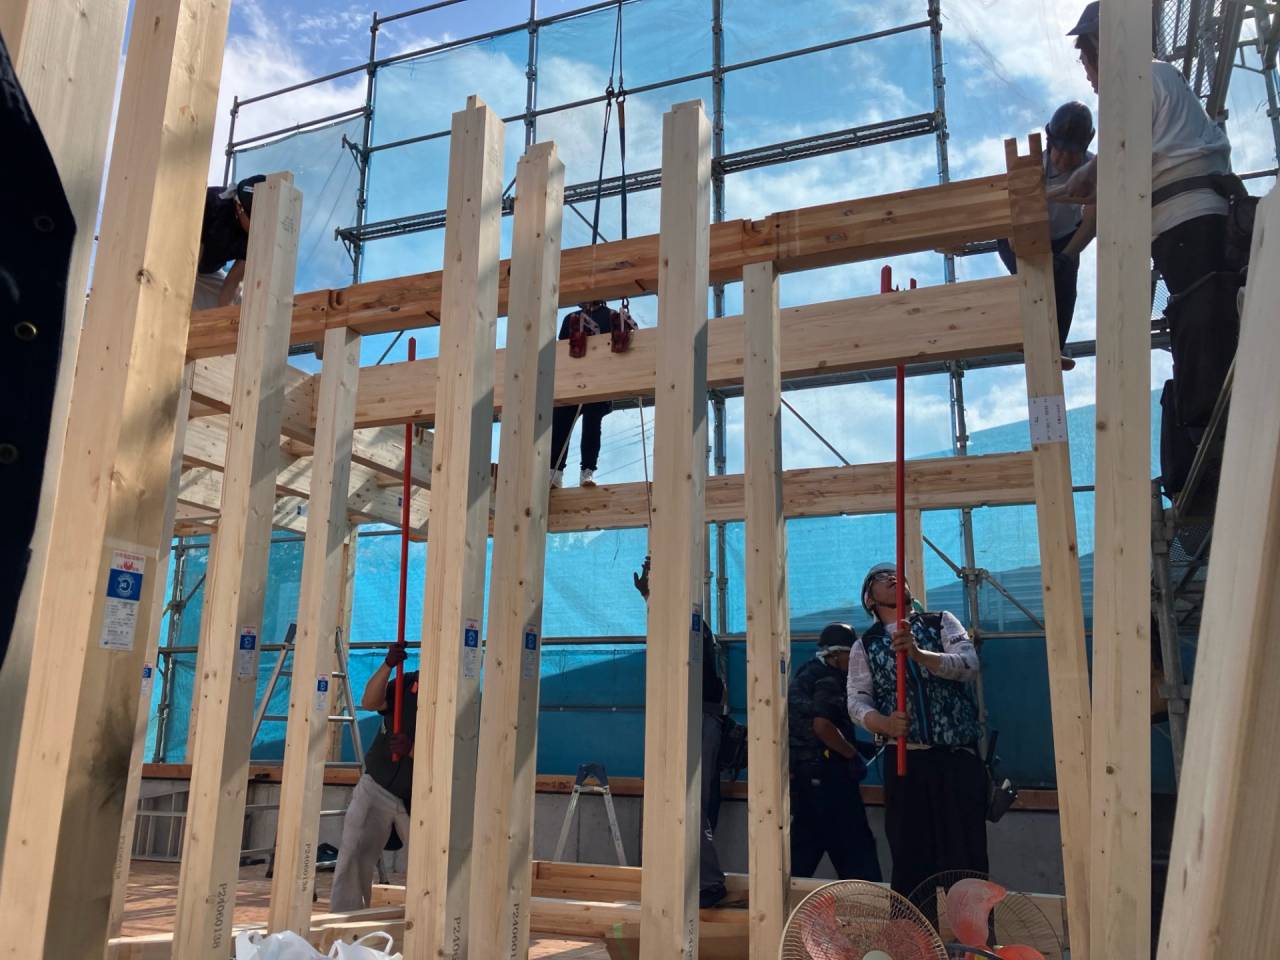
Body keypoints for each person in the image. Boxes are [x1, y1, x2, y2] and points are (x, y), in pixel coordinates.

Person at [1057, 1, 1241, 494]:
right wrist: (1085, 184)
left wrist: (1085, 178)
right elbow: (1119, 166)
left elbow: (1118, 159)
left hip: (1189, 223)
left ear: (1104, 48)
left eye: (1087, 60)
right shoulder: (1154, 78)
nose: (1088, 75)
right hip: (1192, 224)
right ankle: (1211, 451)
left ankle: (1215, 461)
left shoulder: (1138, 80)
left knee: (1203, 339)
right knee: (1202, 335)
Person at [846, 563, 987, 899]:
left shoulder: (941, 622)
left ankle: (972, 933)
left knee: (966, 859)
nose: (893, 577)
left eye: (897, 574)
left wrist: (920, 655)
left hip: (955, 759)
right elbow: (856, 701)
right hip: (905, 763)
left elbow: (969, 664)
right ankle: (915, 931)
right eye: (881, 578)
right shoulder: (864, 646)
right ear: (870, 599)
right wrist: (883, 723)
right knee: (910, 862)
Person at [633, 556, 728, 907]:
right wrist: (651, 596)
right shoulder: (686, 620)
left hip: (698, 717)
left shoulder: (691, 621)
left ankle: (708, 883)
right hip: (691, 716)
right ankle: (686, 881)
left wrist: (653, 594)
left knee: (690, 804)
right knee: (678, 802)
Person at [997, 101, 1097, 369]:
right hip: (1019, 233)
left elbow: (1092, 222)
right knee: (1035, 282)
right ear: (1050, 142)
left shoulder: (1093, 169)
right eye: (1059, 151)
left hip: (1065, 238)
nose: (1063, 159)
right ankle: (1030, 333)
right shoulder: (1032, 168)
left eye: (1071, 153)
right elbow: (1012, 228)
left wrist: (1066, 256)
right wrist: (1028, 256)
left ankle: (1055, 347)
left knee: (1065, 287)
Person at [788, 622, 882, 881]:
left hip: (806, 777)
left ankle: (779, 902)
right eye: (852, 657)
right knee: (856, 851)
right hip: (830, 778)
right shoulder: (830, 679)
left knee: (802, 852)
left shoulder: (807, 673)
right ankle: (867, 902)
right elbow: (822, 726)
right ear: (837, 654)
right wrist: (851, 754)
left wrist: (858, 745)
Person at [330, 642, 417, 911]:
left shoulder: (463, 701)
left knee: (431, 861)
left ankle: (430, 923)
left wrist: (413, 750)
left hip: (423, 792)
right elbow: (370, 702)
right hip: (378, 783)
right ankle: (344, 920)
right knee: (354, 853)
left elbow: (458, 756)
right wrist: (388, 665)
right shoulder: (407, 683)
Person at [549, 300, 626, 488]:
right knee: (560, 425)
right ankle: (555, 473)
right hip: (573, 380)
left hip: (597, 381)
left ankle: (587, 472)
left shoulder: (612, 317)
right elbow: (563, 351)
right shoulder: (571, 319)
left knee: (591, 425)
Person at [194, 174, 265, 309]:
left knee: (239, 308)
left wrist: (225, 316)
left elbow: (233, 283)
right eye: (255, 222)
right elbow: (189, 262)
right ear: (239, 207)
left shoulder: (257, 236)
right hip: (177, 260)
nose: (260, 229)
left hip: (205, 271)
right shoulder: (213, 205)